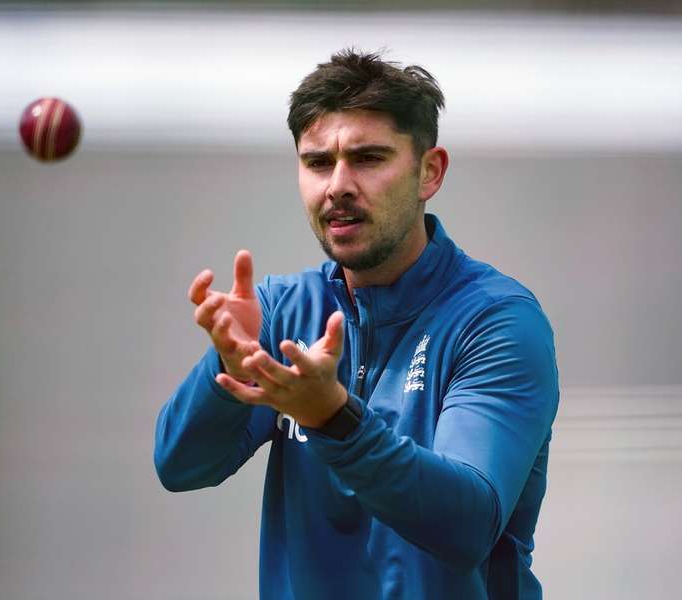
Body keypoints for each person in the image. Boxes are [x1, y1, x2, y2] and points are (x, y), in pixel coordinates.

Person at [154, 49, 559, 600]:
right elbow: (182, 466)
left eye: (368, 158)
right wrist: (226, 369)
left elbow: (467, 523)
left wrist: (334, 419)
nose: (337, 185)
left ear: (429, 172)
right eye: (318, 163)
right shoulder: (282, 309)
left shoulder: (494, 321)